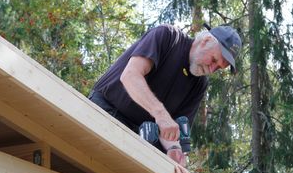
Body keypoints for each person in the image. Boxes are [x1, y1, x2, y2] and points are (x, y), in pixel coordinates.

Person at [89, 24, 242, 165]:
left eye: (218, 68)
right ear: (205, 41)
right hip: (103, 112)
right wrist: (160, 113)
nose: (211, 69)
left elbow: (173, 129)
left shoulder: (199, 84)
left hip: (139, 139)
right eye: (214, 60)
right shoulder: (168, 37)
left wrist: (174, 150)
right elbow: (130, 76)